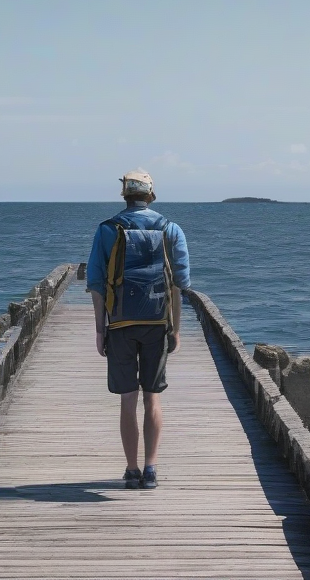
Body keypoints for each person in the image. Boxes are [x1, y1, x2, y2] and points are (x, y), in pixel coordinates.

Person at [86, 169, 191, 490]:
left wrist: (101, 329)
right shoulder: (171, 229)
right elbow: (179, 284)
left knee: (127, 401)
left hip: (119, 324)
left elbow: (97, 284)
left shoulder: (107, 230)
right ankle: (151, 469)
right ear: (151, 194)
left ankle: (131, 470)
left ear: (125, 195)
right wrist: (175, 328)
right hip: (157, 324)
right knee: (153, 399)